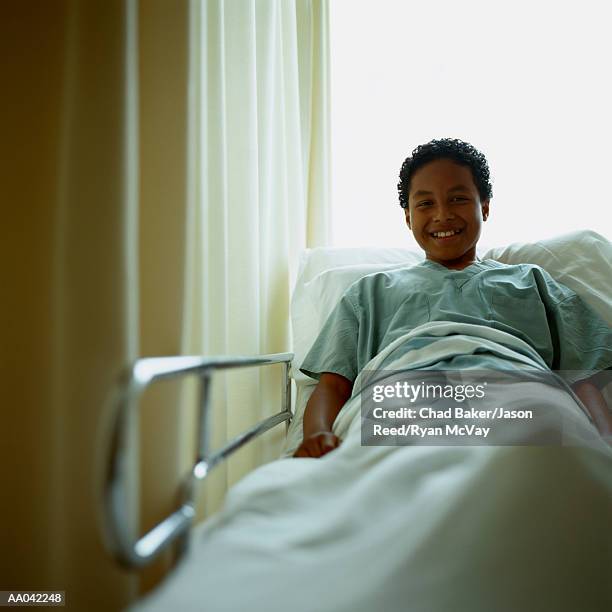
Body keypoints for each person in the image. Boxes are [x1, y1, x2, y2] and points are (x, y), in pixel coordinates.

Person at [293, 138, 612, 458]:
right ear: (408, 217)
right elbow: (333, 386)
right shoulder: (370, 291)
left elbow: (584, 381)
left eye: (458, 198)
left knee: (534, 454)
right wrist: (318, 434)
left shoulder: (531, 281)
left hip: (518, 394)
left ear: (484, 207)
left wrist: (605, 442)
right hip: (405, 395)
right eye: (425, 204)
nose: (442, 214)